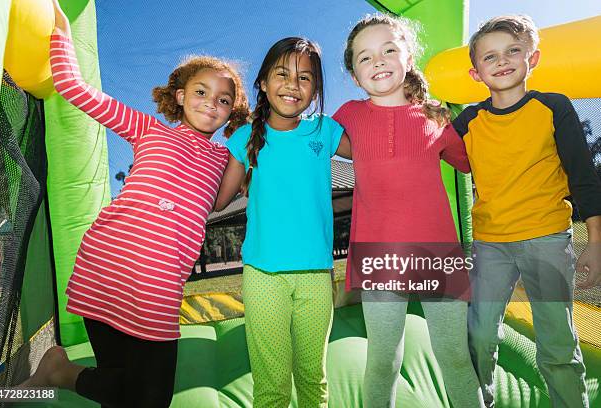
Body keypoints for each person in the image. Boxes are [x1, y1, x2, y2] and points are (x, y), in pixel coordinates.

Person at [20, 1, 249, 407]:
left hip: (159, 285)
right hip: (108, 266)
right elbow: (74, 88)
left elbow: (215, 202)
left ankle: (60, 372)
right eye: (201, 92)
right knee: (123, 387)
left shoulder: (224, 159)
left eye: (224, 100)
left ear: (233, 111)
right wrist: (60, 31)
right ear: (179, 95)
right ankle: (36, 380)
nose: (212, 103)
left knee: (150, 398)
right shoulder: (147, 129)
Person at [333, 13, 484, 407]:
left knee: (454, 356)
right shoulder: (348, 115)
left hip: (437, 253)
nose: (378, 61)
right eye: (364, 58)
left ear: (408, 58)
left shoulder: (436, 117)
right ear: (353, 75)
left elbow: (472, 161)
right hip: (378, 255)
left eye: (388, 50)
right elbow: (316, 148)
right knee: (383, 360)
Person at [453, 14, 601, 408]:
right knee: (480, 335)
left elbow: (583, 176)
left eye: (512, 51)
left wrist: (596, 241)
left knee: (556, 343)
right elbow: (426, 152)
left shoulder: (553, 107)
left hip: (547, 239)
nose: (502, 61)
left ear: (531, 58)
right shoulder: (468, 121)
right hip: (491, 244)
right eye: (490, 57)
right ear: (475, 72)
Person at [214, 37, 350, 407]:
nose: (293, 84)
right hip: (263, 277)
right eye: (282, 74)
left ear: (315, 89)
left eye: (305, 78)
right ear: (262, 82)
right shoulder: (245, 138)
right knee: (271, 387)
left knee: (312, 380)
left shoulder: (323, 131)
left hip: (316, 278)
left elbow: (374, 152)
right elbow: (218, 198)